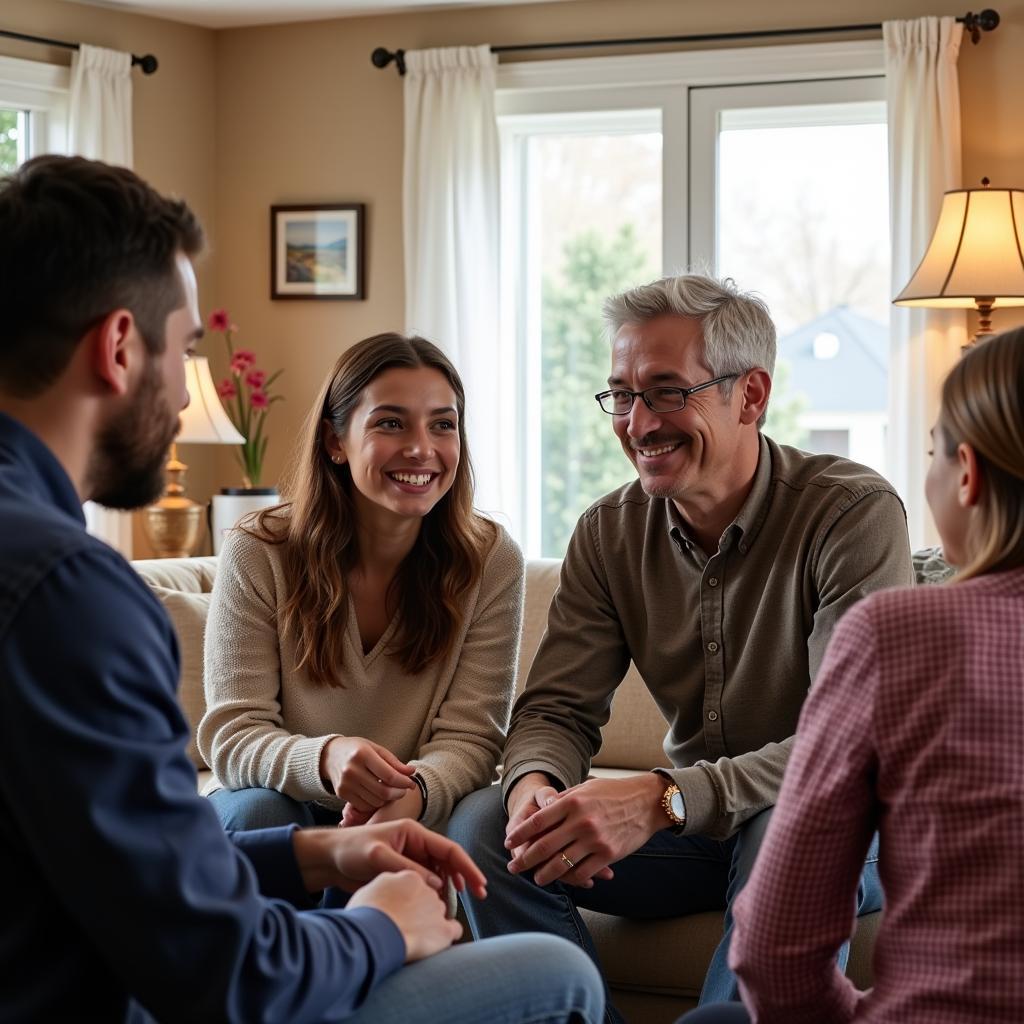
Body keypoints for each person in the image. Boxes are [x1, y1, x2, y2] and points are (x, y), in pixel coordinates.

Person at [0, 154, 604, 1024]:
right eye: (185, 354)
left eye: (443, 426)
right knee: (560, 975)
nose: (180, 399)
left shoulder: (49, 577)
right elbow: (230, 973)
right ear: (121, 347)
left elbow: (130, 870)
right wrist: (381, 929)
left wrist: (319, 853)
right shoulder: (72, 594)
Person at [449, 273, 914, 1020]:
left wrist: (665, 798)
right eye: (621, 394)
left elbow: (845, 749)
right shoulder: (608, 532)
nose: (637, 423)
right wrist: (535, 789)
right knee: (482, 825)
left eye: (666, 391)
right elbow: (554, 713)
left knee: (787, 822)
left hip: (834, 822)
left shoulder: (851, 514)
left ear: (750, 396)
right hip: (696, 833)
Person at [681, 328, 1024, 1024]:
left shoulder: (898, 636)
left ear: (967, 473)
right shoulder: (613, 529)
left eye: (930, 452)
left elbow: (776, 950)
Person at [198, 333, 522, 836]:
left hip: (411, 806)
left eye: (443, 425)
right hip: (283, 804)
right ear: (335, 442)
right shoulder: (259, 550)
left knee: (480, 819)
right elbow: (234, 736)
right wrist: (325, 758)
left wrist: (412, 797)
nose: (421, 449)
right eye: (390, 423)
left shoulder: (491, 561)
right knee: (260, 813)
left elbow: (472, 740)